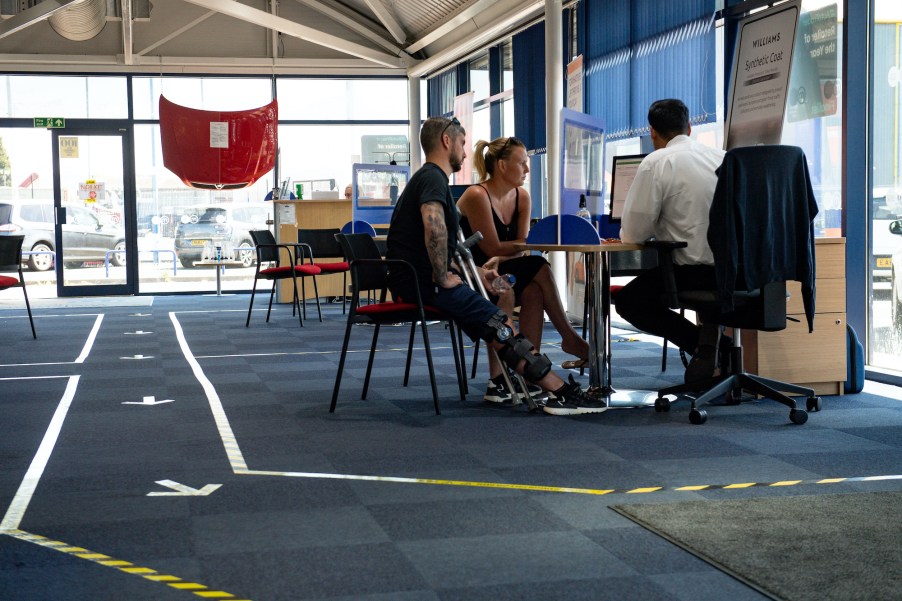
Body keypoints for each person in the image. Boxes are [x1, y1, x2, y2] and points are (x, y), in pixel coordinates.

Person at [386, 116, 605, 416]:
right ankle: (560, 390)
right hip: (422, 282)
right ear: (447, 142)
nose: (465, 153)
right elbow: (433, 226)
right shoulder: (432, 179)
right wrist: (442, 276)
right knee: (499, 324)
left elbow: (445, 247)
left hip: (424, 278)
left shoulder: (430, 179)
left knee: (504, 315)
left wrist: (474, 273)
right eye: (462, 143)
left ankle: (545, 384)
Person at [457, 136, 591, 403]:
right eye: (523, 164)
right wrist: (510, 252)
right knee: (539, 265)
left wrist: (507, 256)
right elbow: (492, 246)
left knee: (533, 290)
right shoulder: (476, 195)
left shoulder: (522, 196)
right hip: (474, 277)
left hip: (502, 271)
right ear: (502, 166)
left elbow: (518, 248)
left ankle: (528, 369)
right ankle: (568, 336)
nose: (528, 170)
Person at [613, 98, 727, 384]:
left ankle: (706, 346)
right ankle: (712, 348)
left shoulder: (657, 162)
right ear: (689, 127)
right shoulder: (723, 158)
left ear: (652, 132)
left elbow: (633, 234)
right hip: (735, 271)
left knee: (629, 301)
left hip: (691, 273)